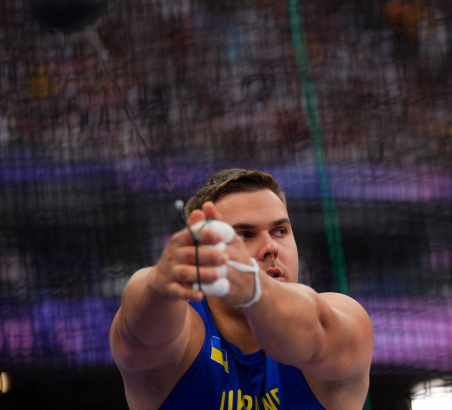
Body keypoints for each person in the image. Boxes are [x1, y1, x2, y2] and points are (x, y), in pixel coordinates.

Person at [110, 168, 374, 409]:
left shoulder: (342, 317)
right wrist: (159, 285)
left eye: (280, 230)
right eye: (245, 235)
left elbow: (313, 336)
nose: (270, 247)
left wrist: (254, 289)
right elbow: (140, 323)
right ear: (206, 253)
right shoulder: (184, 335)